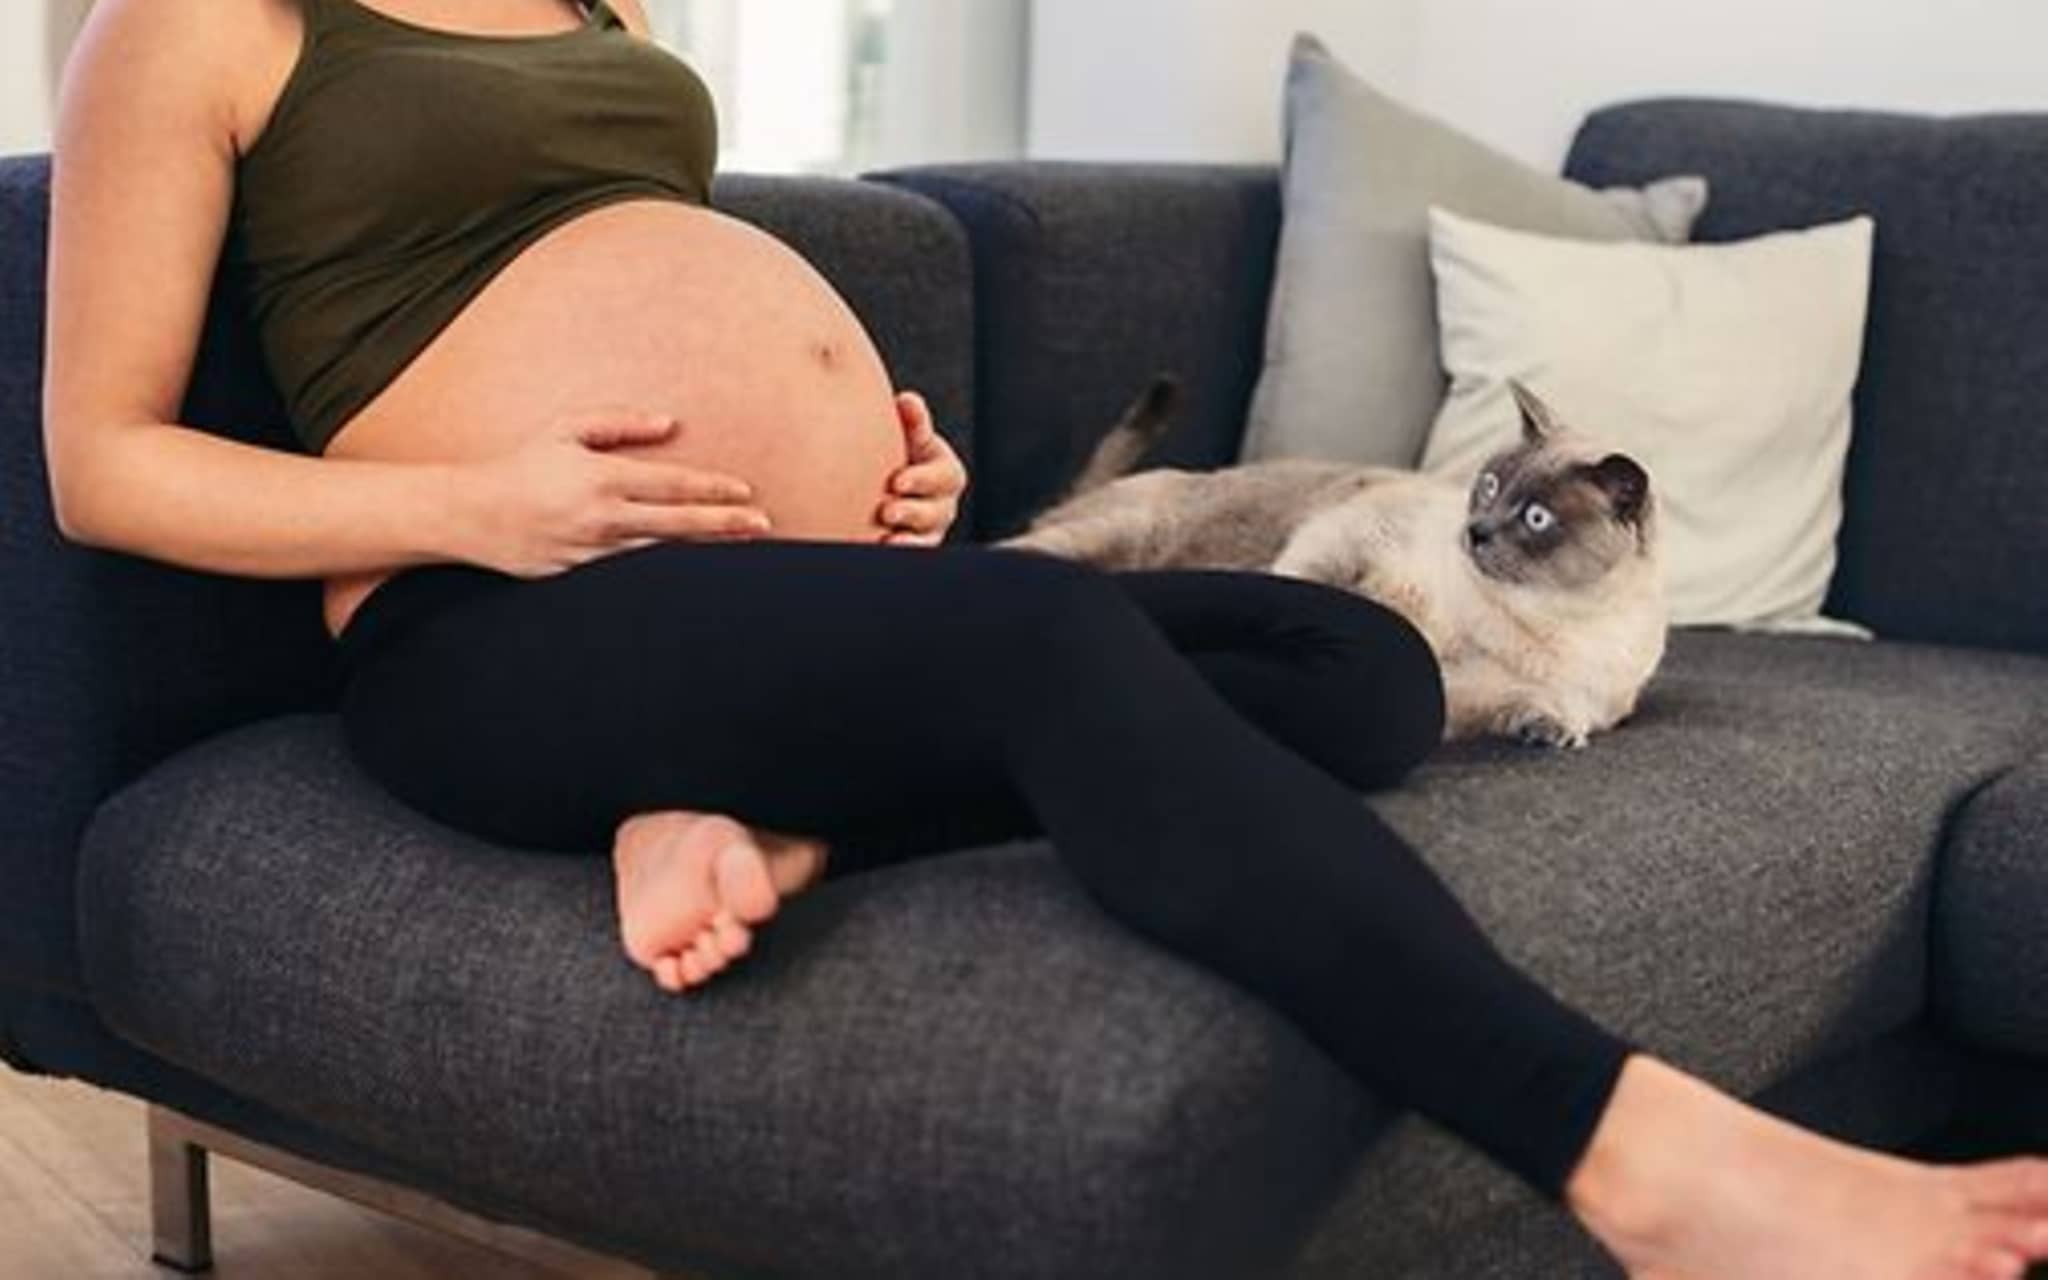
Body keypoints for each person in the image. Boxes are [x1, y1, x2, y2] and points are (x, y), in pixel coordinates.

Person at [40, 1, 2048, 1276]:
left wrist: (864, 486)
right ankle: (1632, 1151)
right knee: (1034, 634)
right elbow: (99, 466)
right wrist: (476, 504)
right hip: (481, 622)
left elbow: (648, 301)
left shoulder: (597, 3)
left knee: (1360, 668)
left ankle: (771, 802)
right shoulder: (194, 24)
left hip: (721, 604)